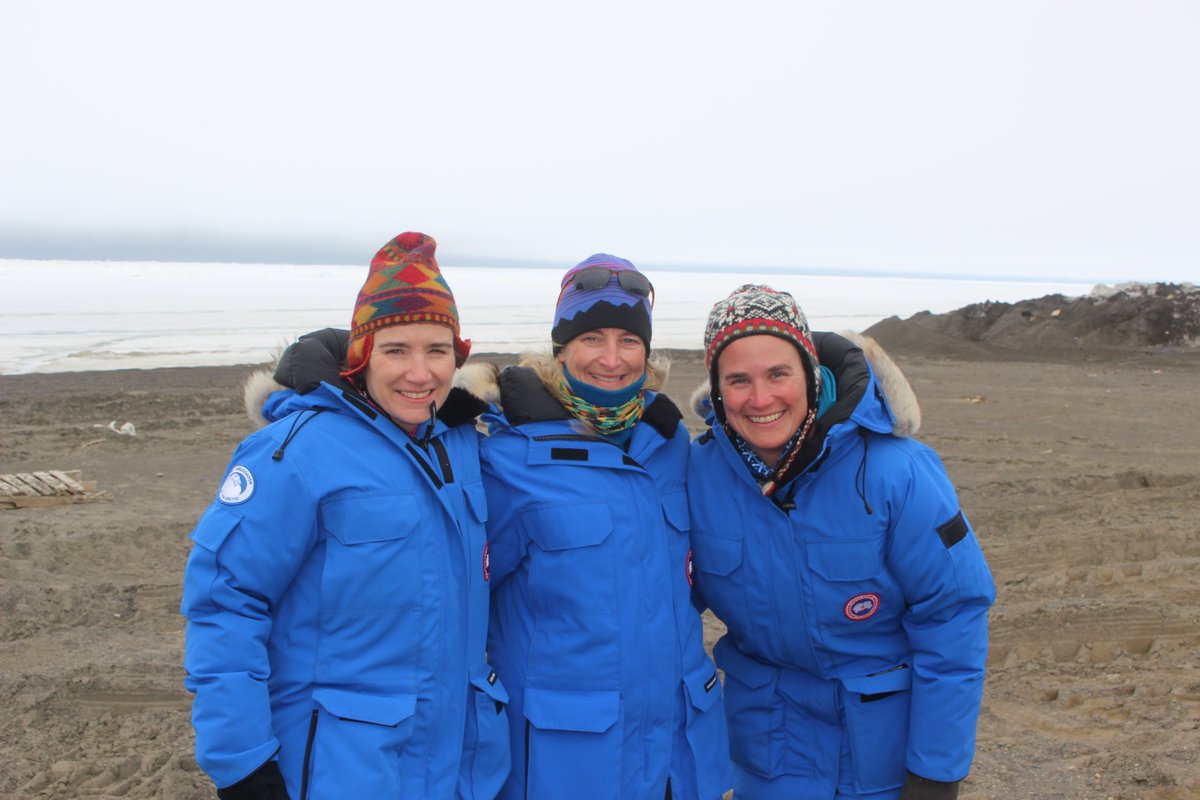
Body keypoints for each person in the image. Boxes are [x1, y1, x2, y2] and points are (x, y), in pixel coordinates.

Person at [181, 233, 510, 799]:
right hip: (340, 768)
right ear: (362, 355)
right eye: (396, 350)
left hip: (457, 759)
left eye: (436, 350)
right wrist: (242, 766)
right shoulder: (296, 452)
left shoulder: (460, 444)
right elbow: (225, 604)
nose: (419, 373)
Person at [686, 284, 995, 800]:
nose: (760, 399)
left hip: (881, 759)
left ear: (810, 373)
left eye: (778, 374)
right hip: (767, 754)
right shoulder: (698, 473)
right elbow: (662, 604)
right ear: (717, 390)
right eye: (738, 380)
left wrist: (937, 771)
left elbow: (952, 618)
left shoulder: (898, 471)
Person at [476, 255, 732, 799]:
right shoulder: (507, 455)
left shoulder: (669, 442)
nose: (612, 360)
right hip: (566, 761)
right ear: (561, 349)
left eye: (629, 340)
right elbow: (460, 603)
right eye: (592, 338)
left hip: (675, 752)